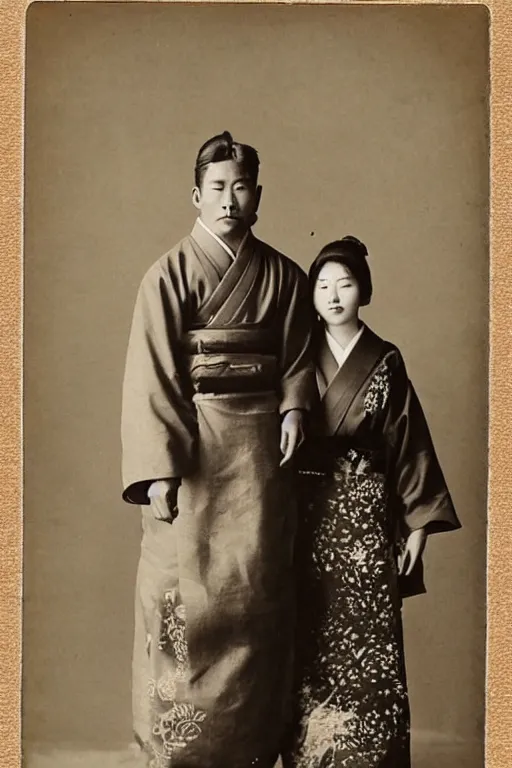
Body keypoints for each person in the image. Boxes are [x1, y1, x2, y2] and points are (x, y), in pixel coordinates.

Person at [121, 131, 316, 768]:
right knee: (181, 605)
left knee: (255, 601)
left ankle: (254, 747)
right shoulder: (167, 275)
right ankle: (176, 753)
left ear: (257, 194)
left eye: (241, 187)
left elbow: (298, 356)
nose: (230, 199)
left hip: (259, 458)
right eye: (217, 188)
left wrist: (293, 405)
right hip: (194, 455)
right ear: (196, 196)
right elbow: (153, 375)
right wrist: (158, 473)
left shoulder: (284, 274)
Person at [281, 236, 461, 768]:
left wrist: (418, 531)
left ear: (365, 291)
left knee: (370, 643)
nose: (333, 296)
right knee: (308, 636)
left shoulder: (385, 359)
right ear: (311, 294)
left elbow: (410, 446)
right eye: (323, 285)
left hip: (367, 521)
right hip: (307, 516)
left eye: (346, 284)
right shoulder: (297, 355)